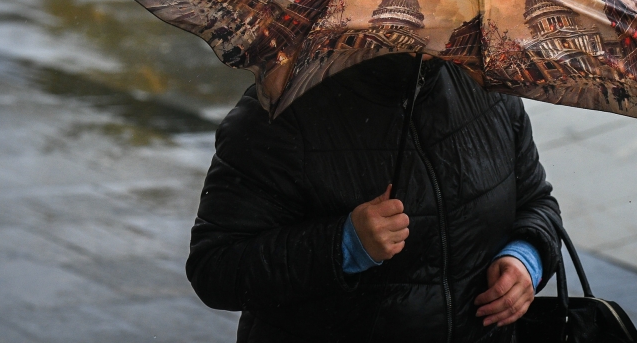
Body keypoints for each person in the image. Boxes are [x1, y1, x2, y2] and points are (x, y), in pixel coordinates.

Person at [186, 54, 562, 343]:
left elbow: (536, 202)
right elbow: (216, 268)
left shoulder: (485, 85)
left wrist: (526, 259)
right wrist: (344, 245)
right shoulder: (280, 112)